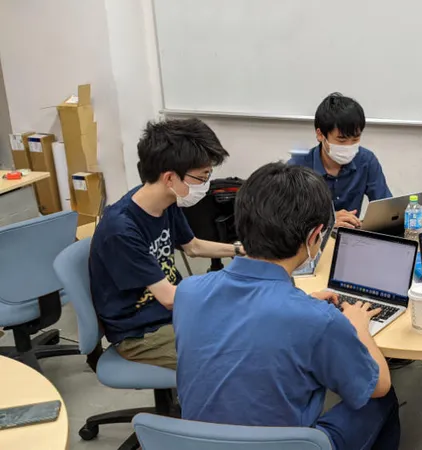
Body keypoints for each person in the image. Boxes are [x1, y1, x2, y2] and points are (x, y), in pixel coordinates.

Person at [173, 162, 400, 450]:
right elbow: (378, 386)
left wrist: (303, 305)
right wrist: (358, 327)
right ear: (315, 236)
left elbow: (248, 326)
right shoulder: (320, 320)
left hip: (197, 443)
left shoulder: (188, 292)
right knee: (383, 399)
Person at [89, 119, 240, 370]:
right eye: (202, 177)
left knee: (244, 328)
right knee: (232, 360)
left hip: (170, 311)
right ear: (170, 178)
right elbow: (169, 297)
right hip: (141, 332)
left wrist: (240, 250)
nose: (205, 185)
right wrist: (231, 288)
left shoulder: (165, 202)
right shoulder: (122, 230)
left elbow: (193, 247)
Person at [289, 92, 392, 229]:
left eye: (355, 139)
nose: (349, 146)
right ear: (320, 135)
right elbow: (284, 219)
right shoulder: (297, 167)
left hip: (351, 236)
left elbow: (386, 208)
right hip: (314, 237)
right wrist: (327, 221)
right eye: (341, 140)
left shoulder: (366, 161)